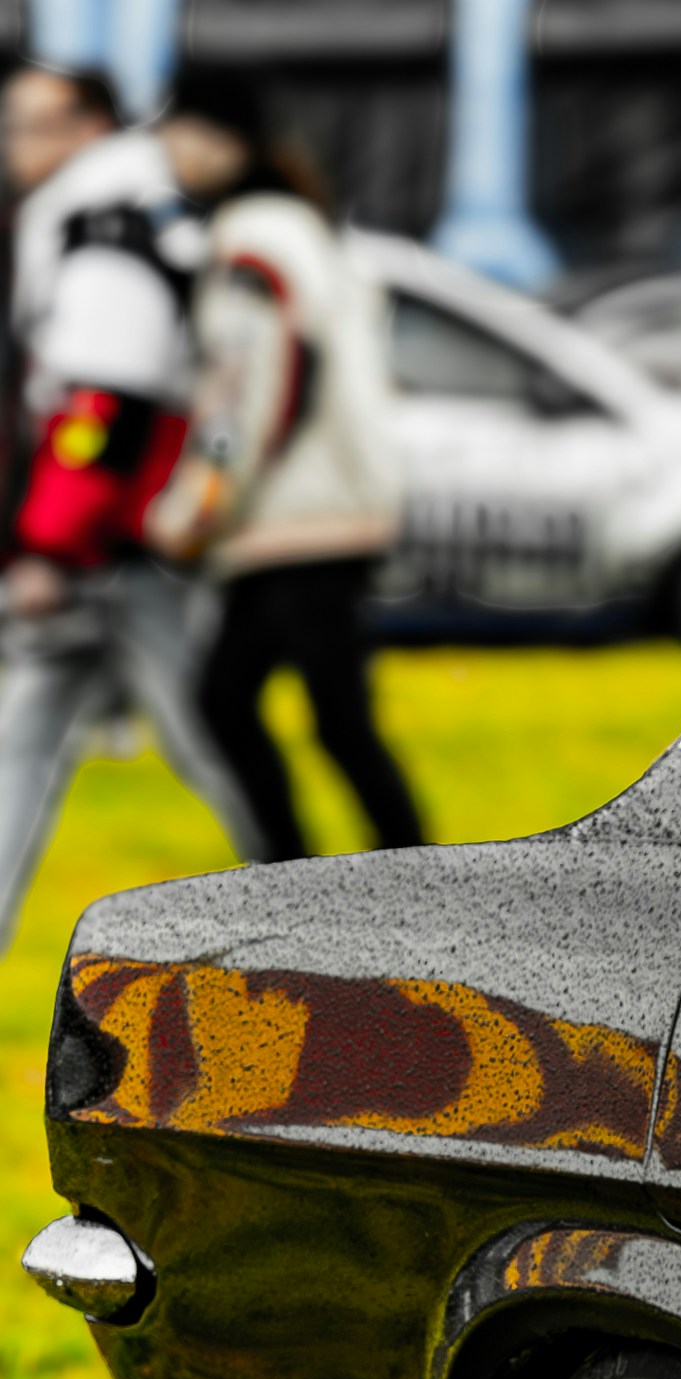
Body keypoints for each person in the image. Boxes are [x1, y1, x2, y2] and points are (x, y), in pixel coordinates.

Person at [0, 59, 260, 912]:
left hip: (113, 549)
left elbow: (99, 402)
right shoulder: (126, 207)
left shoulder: (105, 221)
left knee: (207, 745)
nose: (13, 146)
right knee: (22, 743)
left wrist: (49, 545)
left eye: (30, 127)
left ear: (88, 129)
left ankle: (340, 933)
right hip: (116, 543)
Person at [157, 73, 413, 861]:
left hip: (296, 519)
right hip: (325, 509)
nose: (165, 151)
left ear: (219, 141)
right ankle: (314, 874)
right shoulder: (301, 226)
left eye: (174, 130)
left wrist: (200, 502)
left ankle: (350, 877)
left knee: (264, 707)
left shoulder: (251, 237)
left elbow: (246, 393)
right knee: (271, 706)